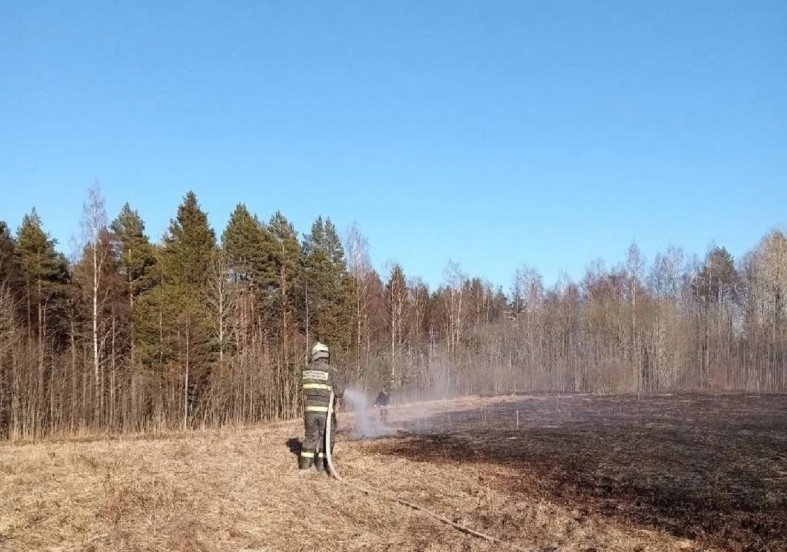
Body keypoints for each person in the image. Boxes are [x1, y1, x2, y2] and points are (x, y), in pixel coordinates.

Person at [300, 342, 345, 472]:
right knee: (327, 437)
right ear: (326, 355)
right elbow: (339, 391)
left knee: (310, 437)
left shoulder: (306, 369)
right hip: (325, 411)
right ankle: (322, 466)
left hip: (309, 411)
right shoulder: (331, 371)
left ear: (314, 354)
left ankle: (305, 466)